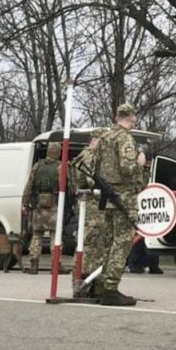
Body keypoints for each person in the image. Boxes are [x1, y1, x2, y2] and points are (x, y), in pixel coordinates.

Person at [95, 102, 146, 306]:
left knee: (109, 242)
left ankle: (102, 284)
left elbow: (96, 165)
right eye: (134, 119)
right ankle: (111, 288)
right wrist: (140, 162)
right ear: (131, 117)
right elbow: (127, 168)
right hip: (123, 197)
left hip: (108, 196)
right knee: (122, 241)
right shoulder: (125, 138)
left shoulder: (105, 137)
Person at [71, 128, 107, 294]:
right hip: (92, 206)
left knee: (92, 244)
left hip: (90, 205)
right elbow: (92, 181)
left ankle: (89, 282)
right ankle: (85, 282)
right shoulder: (90, 156)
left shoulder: (85, 156)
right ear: (95, 140)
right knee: (91, 244)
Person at [20, 141, 63, 275]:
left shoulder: (37, 166)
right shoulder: (60, 166)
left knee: (36, 235)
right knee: (55, 235)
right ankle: (56, 265)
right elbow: (65, 185)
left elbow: (29, 185)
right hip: (54, 203)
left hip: (38, 204)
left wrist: (25, 202)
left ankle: (34, 264)